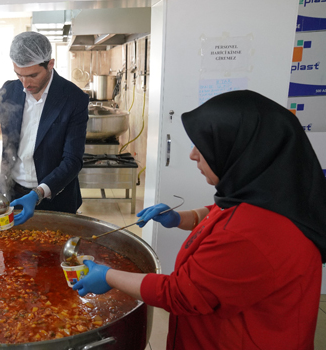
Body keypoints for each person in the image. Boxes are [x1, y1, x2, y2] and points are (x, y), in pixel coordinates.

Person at [73, 90, 326, 349]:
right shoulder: (272, 194)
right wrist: (180, 218)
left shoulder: (252, 235)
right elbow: (221, 213)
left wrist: (109, 276)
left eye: (204, 146)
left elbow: (181, 294)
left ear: (240, 150)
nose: (193, 155)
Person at [0, 31, 89, 226]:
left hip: (55, 197)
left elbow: (72, 161)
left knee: (55, 254)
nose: (25, 83)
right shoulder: (10, 91)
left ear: (50, 64)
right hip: (13, 194)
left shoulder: (73, 98)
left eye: (32, 75)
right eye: (19, 75)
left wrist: (38, 193)